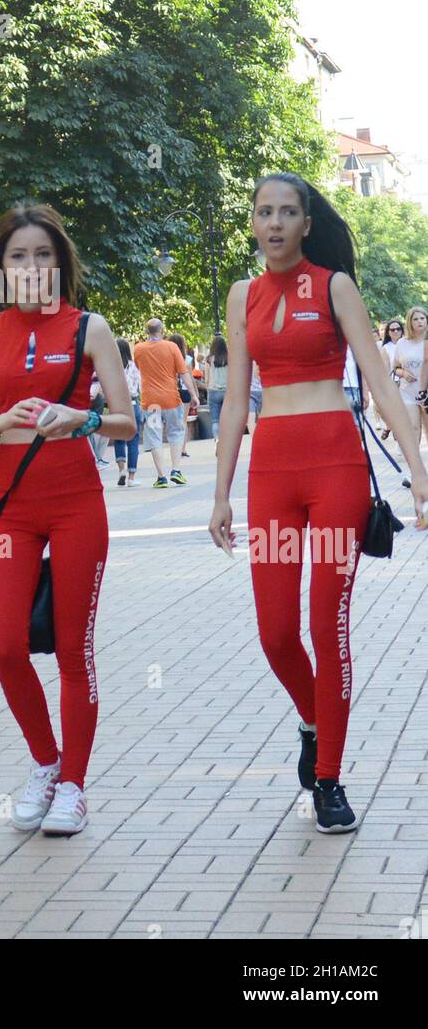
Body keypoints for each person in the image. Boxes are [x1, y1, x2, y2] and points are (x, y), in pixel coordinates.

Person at [209, 172, 428, 834]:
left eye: (286, 213)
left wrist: (417, 472)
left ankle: (328, 778)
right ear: (251, 223)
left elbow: (380, 387)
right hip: (271, 470)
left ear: (306, 224)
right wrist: (218, 493)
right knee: (274, 632)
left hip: (333, 466)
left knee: (323, 623)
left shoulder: (334, 287)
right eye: (262, 212)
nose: (273, 223)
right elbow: (233, 404)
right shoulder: (241, 296)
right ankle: (313, 721)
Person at [0, 204, 134, 836]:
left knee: (71, 649)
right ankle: (45, 761)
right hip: (12, 505)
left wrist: (81, 419)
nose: (30, 266)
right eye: (17, 256)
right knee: (6, 644)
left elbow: (126, 421)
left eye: (42, 255)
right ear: (0, 269)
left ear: (59, 263)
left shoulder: (90, 327)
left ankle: (74, 786)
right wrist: (8, 421)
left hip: (76, 503)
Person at [134, 320, 199, 488]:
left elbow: (138, 367)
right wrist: (193, 395)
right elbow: (184, 373)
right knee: (176, 433)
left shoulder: (139, 349)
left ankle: (161, 477)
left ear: (147, 331)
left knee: (154, 436)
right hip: (171, 400)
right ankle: (176, 471)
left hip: (151, 403)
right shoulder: (172, 347)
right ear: (161, 330)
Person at [391, 307, 428, 452]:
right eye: (415, 319)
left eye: (422, 318)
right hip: (407, 392)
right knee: (413, 428)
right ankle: (415, 469)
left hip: (425, 392)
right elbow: (395, 368)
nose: (419, 322)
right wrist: (403, 373)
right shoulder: (402, 343)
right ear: (409, 322)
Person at [113, 338, 142, 486]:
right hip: (133, 403)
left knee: (119, 437)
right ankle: (131, 478)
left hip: (117, 403)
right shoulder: (133, 366)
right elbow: (140, 387)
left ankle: (121, 470)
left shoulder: (112, 366)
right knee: (133, 440)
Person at [168, 334, 195, 458]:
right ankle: (183, 449)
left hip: (172, 391)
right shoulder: (187, 359)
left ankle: (175, 447)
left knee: (174, 422)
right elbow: (189, 376)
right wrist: (195, 393)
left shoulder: (167, 357)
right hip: (185, 390)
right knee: (183, 421)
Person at [378, 319, 404, 438]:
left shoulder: (407, 343)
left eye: (398, 329)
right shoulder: (386, 348)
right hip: (395, 383)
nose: (395, 331)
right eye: (392, 329)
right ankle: (393, 429)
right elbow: (385, 369)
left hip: (409, 382)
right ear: (388, 332)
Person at [204, 335, 229, 451]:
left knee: (215, 419)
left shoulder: (209, 359)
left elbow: (207, 378)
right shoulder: (229, 357)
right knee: (226, 418)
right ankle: (226, 442)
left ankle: (217, 441)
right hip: (227, 390)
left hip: (213, 390)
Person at [247, 360, 263, 436]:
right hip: (261, 390)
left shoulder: (245, 360)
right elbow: (258, 374)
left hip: (249, 390)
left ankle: (253, 439)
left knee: (251, 418)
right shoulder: (259, 358)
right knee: (263, 417)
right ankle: (263, 436)